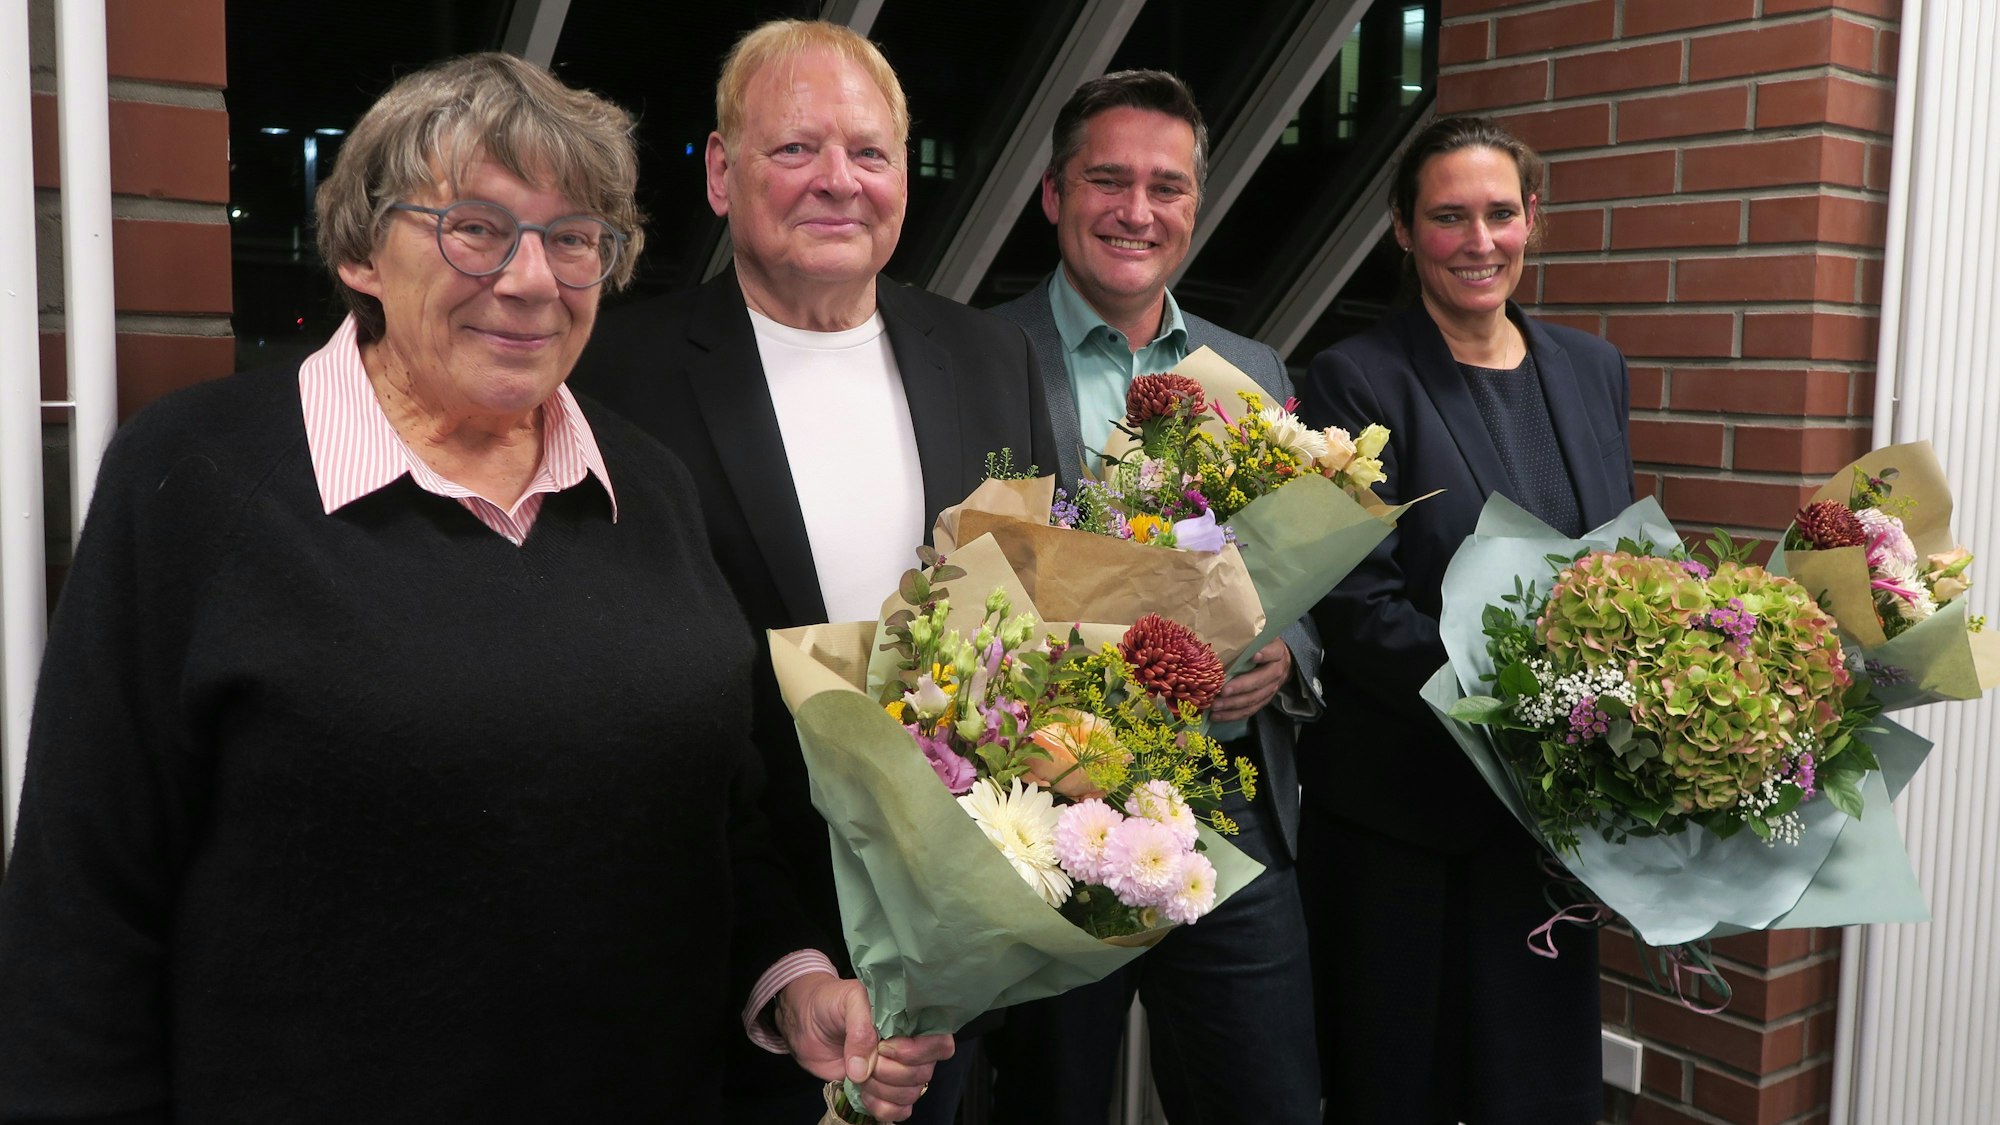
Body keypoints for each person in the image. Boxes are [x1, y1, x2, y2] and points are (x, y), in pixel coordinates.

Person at [0, 52, 946, 1124]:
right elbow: (83, 902)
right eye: (477, 229)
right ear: (361, 249)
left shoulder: (646, 487)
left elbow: (715, 824)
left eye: (574, 238)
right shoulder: (198, 481)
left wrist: (790, 983)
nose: (532, 279)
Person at [568, 20, 1057, 1123]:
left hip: (945, 963)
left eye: (868, 153)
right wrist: (779, 959)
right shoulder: (614, 376)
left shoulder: (989, 359)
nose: (837, 181)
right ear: (717, 172)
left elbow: (1040, 625)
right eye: (794, 150)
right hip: (709, 956)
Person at [983, 70, 1323, 1125]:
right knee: (1055, 1102)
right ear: (1051, 194)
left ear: (1194, 204)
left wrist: (1289, 653)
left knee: (1265, 1099)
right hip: (1052, 814)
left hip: (1230, 813)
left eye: (1166, 188)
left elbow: (1293, 559)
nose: (1137, 212)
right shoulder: (974, 355)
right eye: (1107, 180)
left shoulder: (1250, 365)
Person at [1295, 115, 1634, 1124]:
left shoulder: (1591, 368)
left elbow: (1618, 571)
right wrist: (1529, 707)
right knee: (1398, 1087)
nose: (1477, 241)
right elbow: (1356, 607)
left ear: (1532, 218)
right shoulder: (1352, 378)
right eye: (1447, 217)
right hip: (1405, 821)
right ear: (1402, 231)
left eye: (1498, 213)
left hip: (1544, 833)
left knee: (1535, 1091)